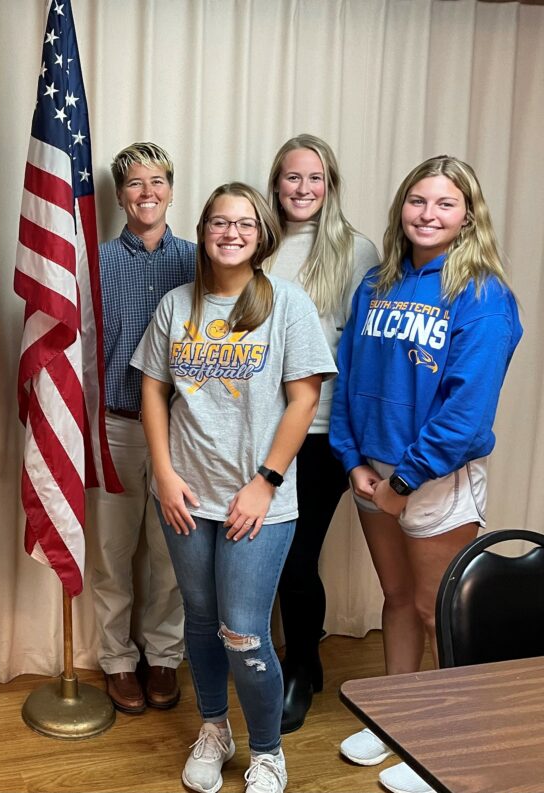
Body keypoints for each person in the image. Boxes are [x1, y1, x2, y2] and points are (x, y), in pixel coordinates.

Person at [132, 183, 335, 793]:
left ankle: (268, 750)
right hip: (187, 497)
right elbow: (152, 390)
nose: (231, 232)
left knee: (243, 626)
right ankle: (214, 729)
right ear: (203, 230)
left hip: (258, 500)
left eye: (244, 223)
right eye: (219, 222)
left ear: (261, 234)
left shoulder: (287, 305)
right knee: (199, 618)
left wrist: (265, 482)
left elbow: (305, 398)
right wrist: (164, 475)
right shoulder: (176, 305)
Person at [331, 155, 521, 793]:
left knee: (443, 613)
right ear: (401, 208)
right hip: (373, 472)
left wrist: (402, 483)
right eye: (417, 200)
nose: (428, 214)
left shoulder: (483, 297)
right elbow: (351, 377)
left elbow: (466, 415)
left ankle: (446, 745)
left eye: (444, 203)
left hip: (431, 476)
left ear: (469, 214)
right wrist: (354, 460)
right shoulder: (376, 283)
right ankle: (398, 723)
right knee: (398, 601)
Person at [264, 134, 380, 733]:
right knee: (271, 554)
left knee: (295, 555)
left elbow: (364, 350)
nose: (303, 189)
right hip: (261, 432)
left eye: (315, 178)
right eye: (292, 177)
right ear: (276, 183)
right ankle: (302, 660)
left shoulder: (357, 251)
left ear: (330, 184)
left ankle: (301, 665)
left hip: (324, 433)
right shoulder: (258, 242)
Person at [93, 142, 193, 714]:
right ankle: (117, 660)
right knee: (113, 550)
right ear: (120, 195)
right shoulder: (96, 262)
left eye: (157, 181)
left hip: (182, 433)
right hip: (117, 424)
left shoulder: (199, 260)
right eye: (134, 183)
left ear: (172, 189)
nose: (147, 193)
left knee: (169, 551)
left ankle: (164, 655)